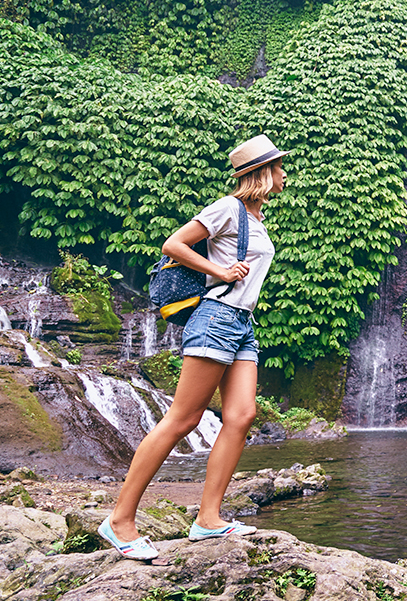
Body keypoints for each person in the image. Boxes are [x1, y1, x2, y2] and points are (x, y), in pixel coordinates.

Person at [99, 134, 289, 560]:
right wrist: (219, 271)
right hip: (216, 320)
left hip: (242, 324)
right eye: (278, 167)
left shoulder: (256, 220)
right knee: (182, 420)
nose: (284, 174)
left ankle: (208, 519)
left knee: (241, 415)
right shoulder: (228, 208)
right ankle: (119, 521)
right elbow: (173, 245)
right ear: (261, 173)